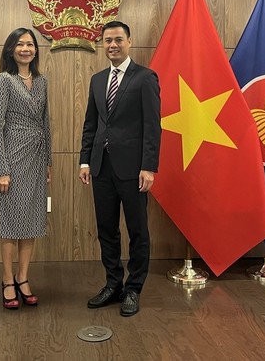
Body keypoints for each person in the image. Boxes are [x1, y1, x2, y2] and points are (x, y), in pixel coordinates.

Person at [79, 20, 161, 317]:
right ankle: (113, 284)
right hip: (101, 167)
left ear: (129, 41)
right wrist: (85, 160)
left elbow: (153, 127)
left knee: (138, 231)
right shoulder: (98, 80)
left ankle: (134, 288)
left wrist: (149, 167)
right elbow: (92, 124)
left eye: (118, 39)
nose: (112, 45)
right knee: (107, 230)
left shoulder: (145, 78)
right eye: (107, 40)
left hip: (133, 170)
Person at [0, 27, 52, 309]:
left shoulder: (42, 81)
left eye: (30, 44)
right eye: (20, 44)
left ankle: (23, 277)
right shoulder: (4, 80)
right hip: (13, 158)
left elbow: (46, 123)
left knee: (32, 220)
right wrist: (2, 168)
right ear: (11, 50)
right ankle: (6, 280)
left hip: (37, 158)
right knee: (10, 221)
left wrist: (48, 161)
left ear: (36, 50)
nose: (26, 49)